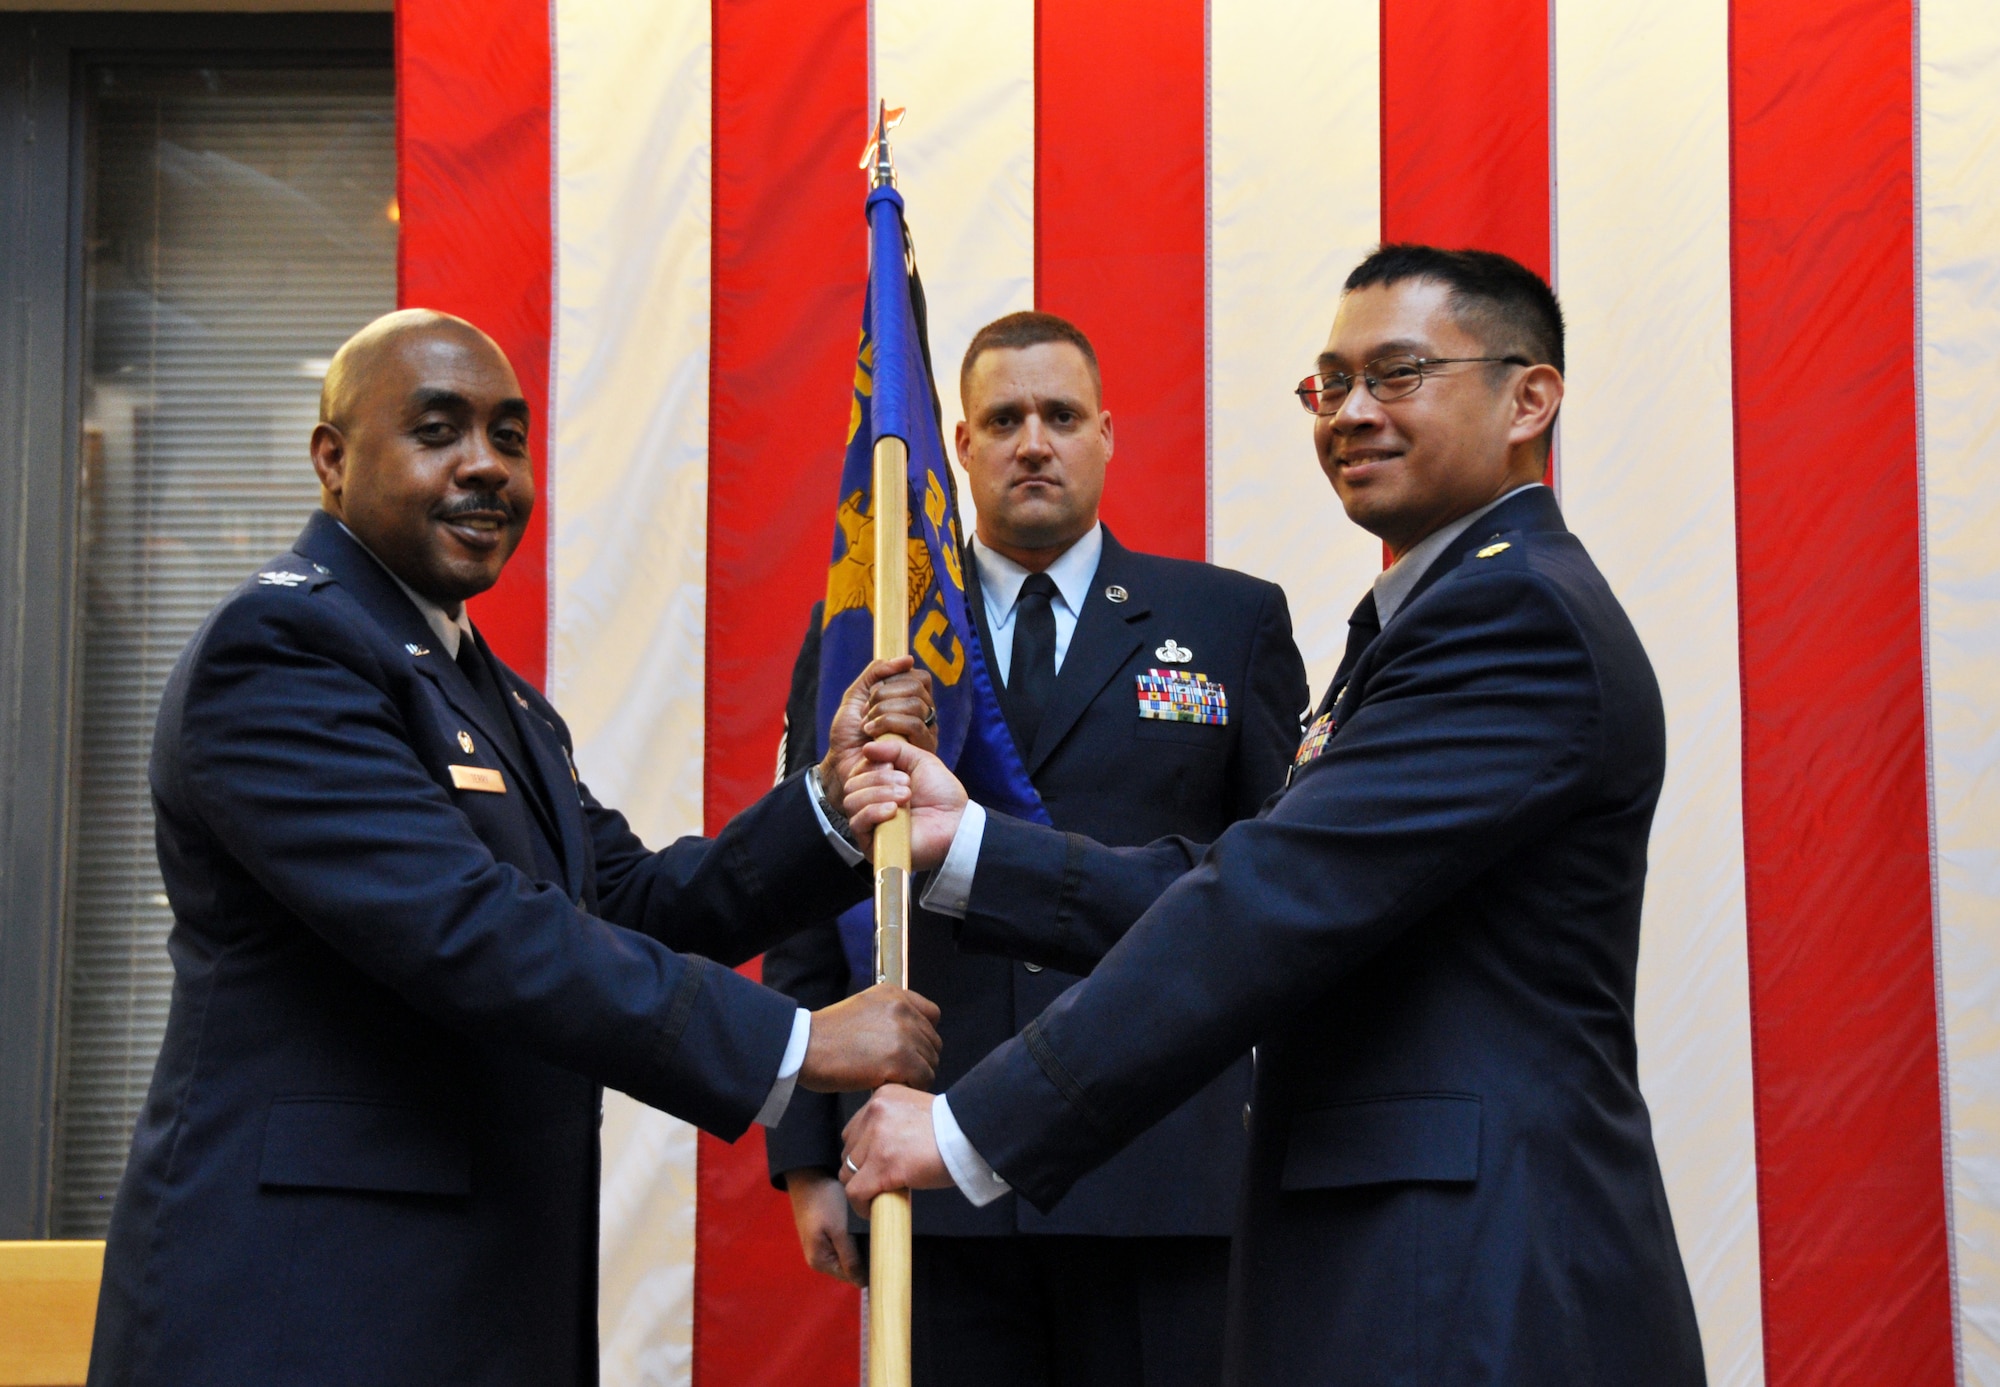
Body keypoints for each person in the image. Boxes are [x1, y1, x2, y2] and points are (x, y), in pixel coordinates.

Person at [838, 249, 1708, 1385]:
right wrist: (971, 849)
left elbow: (1264, 904)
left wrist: (967, 1127)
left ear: (1527, 399)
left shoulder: (1511, 617)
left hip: (1473, 1275)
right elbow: (1248, 875)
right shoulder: (1437, 611)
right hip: (1414, 1262)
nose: (1351, 412)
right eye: (1330, 383)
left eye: (1397, 374)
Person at [86, 309, 943, 1387]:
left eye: (508, 435)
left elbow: (631, 900)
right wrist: (794, 1042)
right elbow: (469, 927)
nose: (485, 465)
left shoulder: (501, 700)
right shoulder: (280, 650)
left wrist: (828, 799)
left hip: (471, 1302)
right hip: (304, 1306)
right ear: (332, 459)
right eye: (437, 430)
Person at [763, 311, 1307, 1386]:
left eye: (1060, 415)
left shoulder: (1228, 623)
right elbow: (806, 891)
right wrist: (805, 1157)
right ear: (961, 446)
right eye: (1004, 419)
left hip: (1162, 1165)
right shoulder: (875, 633)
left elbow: (1284, 892)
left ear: (1106, 433)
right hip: (934, 1167)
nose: (1034, 443)